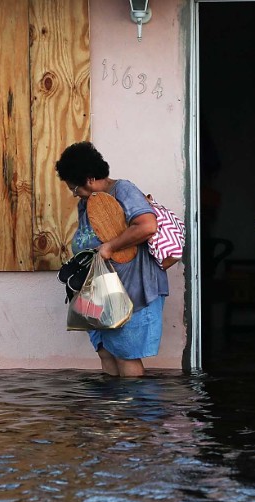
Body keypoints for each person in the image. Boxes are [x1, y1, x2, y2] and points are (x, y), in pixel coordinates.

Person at [55, 141, 169, 377]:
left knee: (125, 353)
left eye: (75, 189)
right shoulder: (87, 202)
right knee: (106, 350)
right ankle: (113, 411)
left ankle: (134, 411)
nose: (75, 194)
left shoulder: (123, 191)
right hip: (99, 290)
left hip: (130, 289)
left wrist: (109, 247)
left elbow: (147, 226)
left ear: (89, 178)